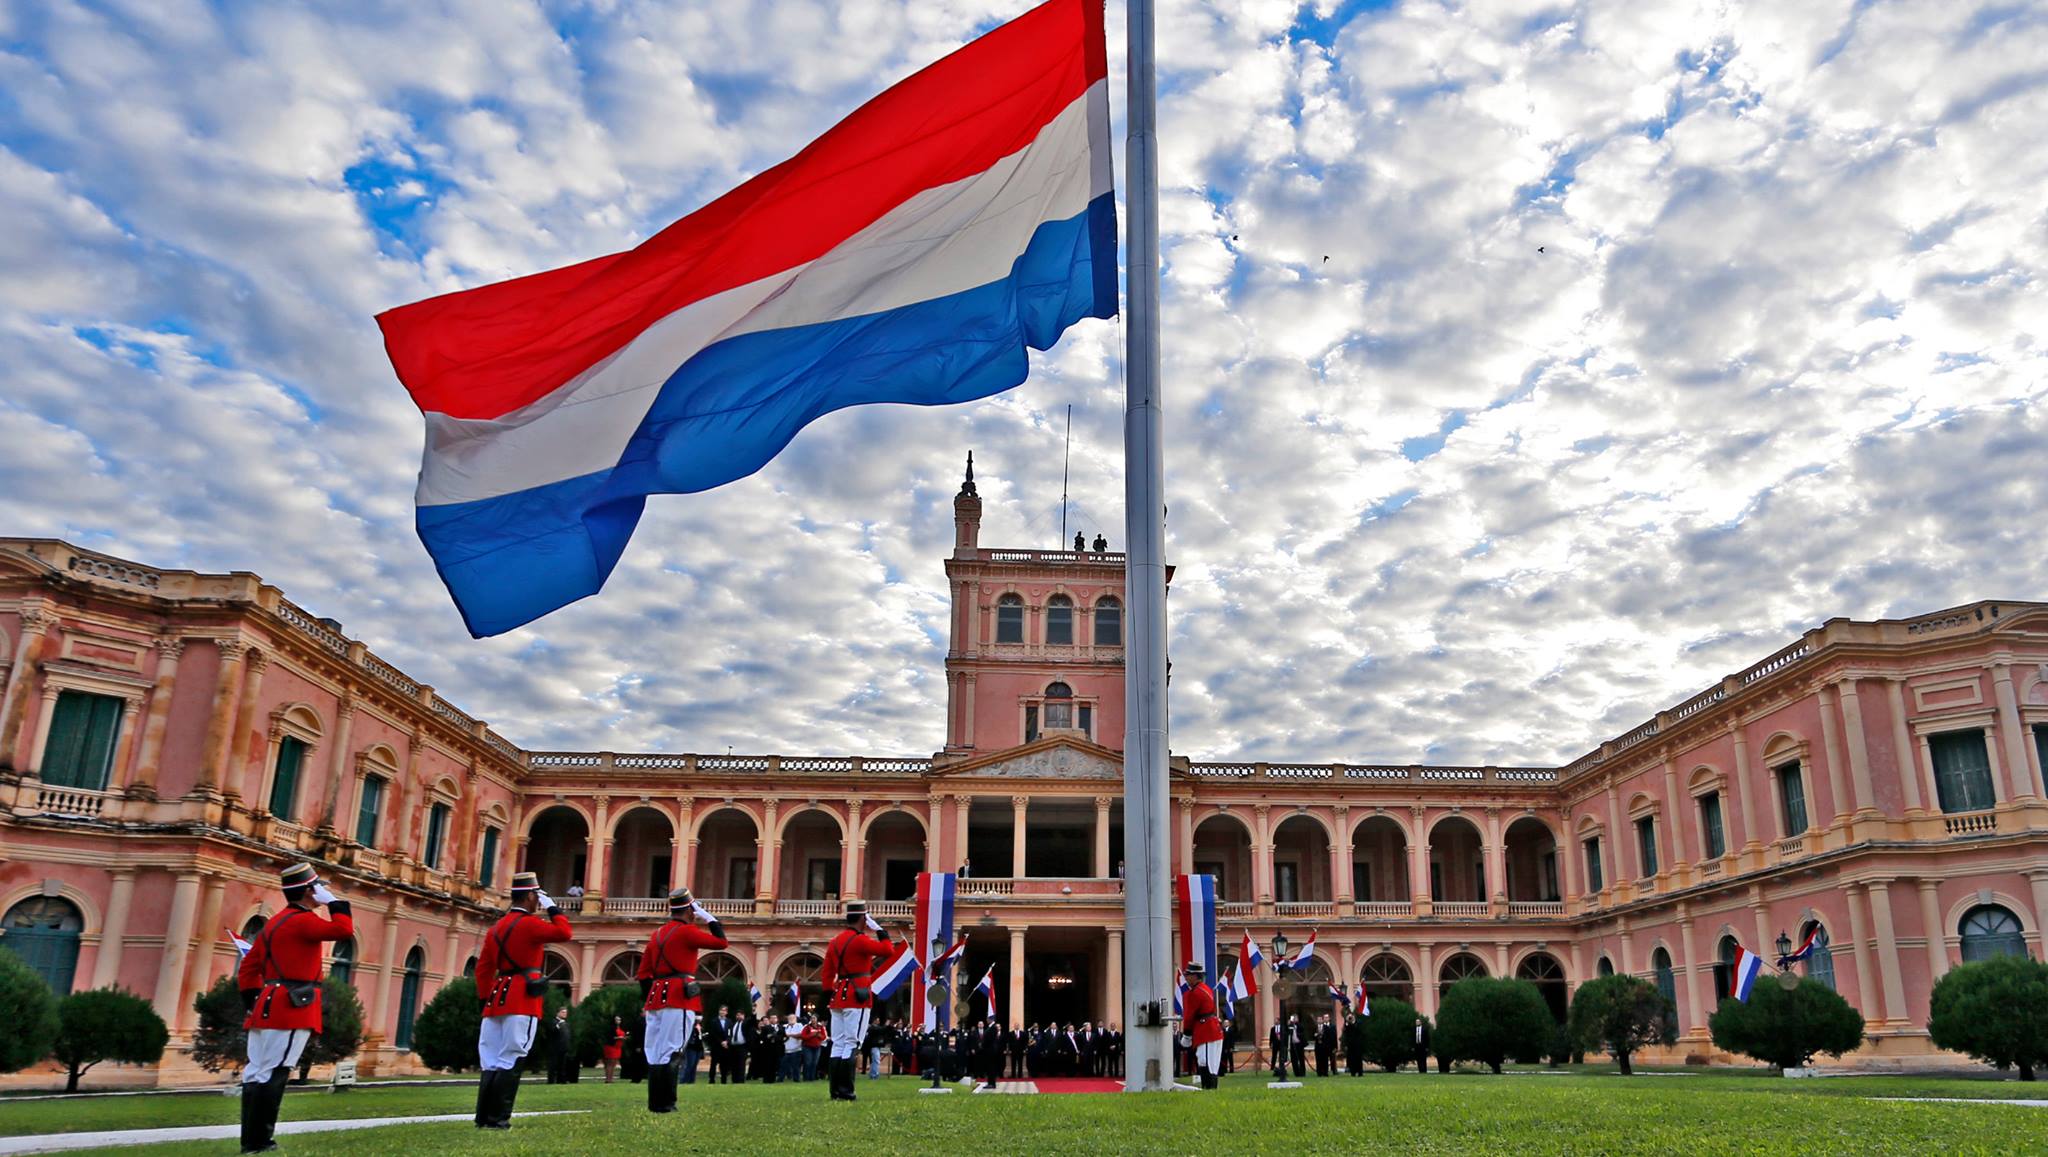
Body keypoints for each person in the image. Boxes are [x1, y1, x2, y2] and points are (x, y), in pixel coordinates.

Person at [236, 862, 353, 1155]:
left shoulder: (275, 922)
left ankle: (250, 1140)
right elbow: (343, 930)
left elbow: (248, 969)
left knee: (257, 1071)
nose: (322, 892)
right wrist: (336, 903)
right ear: (307, 891)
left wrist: (254, 1003)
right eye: (318, 888)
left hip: (268, 1004)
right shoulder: (303, 920)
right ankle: (261, 1141)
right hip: (292, 1006)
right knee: (276, 1070)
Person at [473, 871, 573, 1130]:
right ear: (531, 895)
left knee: (492, 1060)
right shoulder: (530, 924)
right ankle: (499, 1119)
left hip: (496, 998)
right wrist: (554, 908)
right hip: (522, 999)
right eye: (537, 897)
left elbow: (483, 970)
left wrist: (485, 1000)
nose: (538, 902)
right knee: (513, 1057)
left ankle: (484, 1117)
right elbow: (564, 932)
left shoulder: (496, 928)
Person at [635, 886, 727, 1112]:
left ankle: (655, 1103)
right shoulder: (687, 932)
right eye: (693, 911)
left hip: (656, 997)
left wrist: (649, 998)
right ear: (689, 910)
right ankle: (667, 1103)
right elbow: (721, 942)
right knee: (673, 1049)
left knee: (655, 1052)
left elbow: (643, 974)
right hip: (678, 996)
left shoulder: (656, 935)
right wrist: (709, 917)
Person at [819, 899, 895, 1101]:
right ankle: (846, 1090)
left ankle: (835, 1090)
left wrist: (829, 995)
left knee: (838, 1043)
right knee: (852, 1043)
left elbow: (827, 975)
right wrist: (879, 930)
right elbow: (888, 950)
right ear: (863, 918)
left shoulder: (835, 941)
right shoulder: (860, 940)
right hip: (857, 995)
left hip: (838, 996)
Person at [1180, 960, 1224, 1090]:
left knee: (1206, 1061)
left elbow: (1189, 1017)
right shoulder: (1206, 989)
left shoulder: (1194, 993)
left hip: (1206, 1030)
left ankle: (1209, 1088)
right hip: (1212, 1028)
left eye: (1188, 975)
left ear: (1195, 976)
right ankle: (1210, 1088)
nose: (1186, 978)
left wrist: (1187, 1035)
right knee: (1211, 1062)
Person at [544, 1007, 573, 1084]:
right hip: (554, 1048)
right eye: (563, 1012)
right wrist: (558, 1025)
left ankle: (562, 1081)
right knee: (553, 1066)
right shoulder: (553, 1022)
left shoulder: (566, 1023)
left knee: (562, 1066)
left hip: (564, 1048)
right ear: (558, 1013)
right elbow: (550, 1032)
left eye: (565, 1012)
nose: (565, 1014)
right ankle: (551, 1081)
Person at [679, 1018, 703, 1085]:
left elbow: (701, 1037)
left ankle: (691, 1081)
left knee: (694, 1065)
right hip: (691, 1048)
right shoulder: (691, 1025)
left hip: (698, 1048)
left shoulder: (700, 1026)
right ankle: (684, 1080)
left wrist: (700, 1031)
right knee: (689, 1065)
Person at [602, 1016, 625, 1083]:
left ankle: (611, 1079)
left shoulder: (620, 1028)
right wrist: (619, 1037)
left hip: (618, 1047)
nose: (618, 1021)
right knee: (609, 1063)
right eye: (617, 1020)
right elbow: (610, 1037)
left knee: (614, 1063)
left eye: (619, 1020)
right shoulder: (611, 1028)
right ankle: (608, 1079)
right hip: (611, 1047)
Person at [1343, 1011, 1366, 1076]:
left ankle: (1360, 1072)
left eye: (1351, 1016)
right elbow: (1346, 1033)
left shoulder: (1358, 1023)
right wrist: (1347, 1022)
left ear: (1354, 1016)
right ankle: (1353, 1072)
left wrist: (1352, 1023)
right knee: (1351, 1058)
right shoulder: (1347, 1024)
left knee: (1358, 1058)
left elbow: (1359, 1031)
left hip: (1357, 1044)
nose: (1351, 1018)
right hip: (1350, 1045)